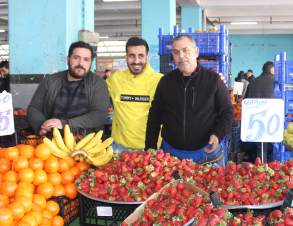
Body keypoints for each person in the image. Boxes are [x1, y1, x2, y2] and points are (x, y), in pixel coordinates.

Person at [145, 34, 234, 166]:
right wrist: (150, 149)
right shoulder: (165, 82)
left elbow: (227, 112)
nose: (181, 56)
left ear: (196, 52)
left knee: (209, 187)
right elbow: (155, 116)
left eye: (186, 50)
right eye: (176, 52)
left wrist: (217, 134)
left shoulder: (213, 80)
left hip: (206, 153)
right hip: (171, 154)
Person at [27, 41, 109, 136]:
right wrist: (40, 126)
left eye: (86, 59)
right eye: (76, 58)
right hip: (52, 141)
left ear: (90, 63)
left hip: (87, 143)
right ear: (68, 59)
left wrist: (65, 124)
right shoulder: (50, 81)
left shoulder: (98, 83)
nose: (81, 63)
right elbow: (34, 107)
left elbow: (99, 115)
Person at [106, 37, 164, 152]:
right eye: (132, 55)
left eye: (141, 56)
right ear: (126, 57)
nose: (136, 61)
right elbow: (95, 92)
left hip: (152, 148)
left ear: (147, 58)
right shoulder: (115, 79)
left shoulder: (160, 81)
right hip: (121, 148)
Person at [244, 61, 275, 163]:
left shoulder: (253, 82)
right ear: (271, 70)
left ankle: (261, 169)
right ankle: (273, 168)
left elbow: (245, 100)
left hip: (256, 117)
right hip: (272, 117)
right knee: (275, 145)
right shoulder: (275, 81)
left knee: (260, 146)